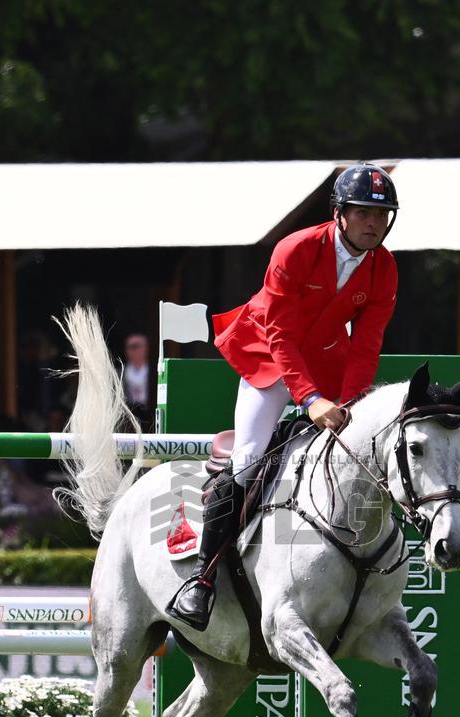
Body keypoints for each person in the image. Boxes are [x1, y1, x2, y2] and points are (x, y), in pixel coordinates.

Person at [167, 162, 399, 631]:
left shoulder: (384, 268)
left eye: (381, 214)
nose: (372, 223)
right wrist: (310, 398)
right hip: (269, 354)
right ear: (339, 213)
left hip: (329, 357)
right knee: (249, 460)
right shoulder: (295, 250)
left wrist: (351, 404)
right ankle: (202, 578)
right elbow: (281, 334)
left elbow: (366, 345)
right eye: (362, 213)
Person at [122, 333, 150, 431]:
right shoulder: (121, 372)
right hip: (130, 416)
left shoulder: (154, 371)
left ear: (146, 348)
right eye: (129, 347)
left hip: (149, 414)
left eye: (135, 347)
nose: (131, 350)